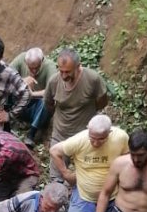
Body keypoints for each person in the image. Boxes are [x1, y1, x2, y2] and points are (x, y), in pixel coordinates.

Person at [42, 48, 108, 176]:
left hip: (85, 135)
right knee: (56, 176)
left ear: (78, 67)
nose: (64, 76)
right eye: (61, 71)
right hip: (61, 133)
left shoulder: (92, 79)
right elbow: (48, 104)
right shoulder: (54, 82)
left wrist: (90, 111)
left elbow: (102, 100)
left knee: (88, 174)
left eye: (68, 72)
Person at [9, 47, 56, 144]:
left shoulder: (50, 66)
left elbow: (52, 91)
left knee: (46, 101)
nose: (34, 71)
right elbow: (6, 76)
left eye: (37, 68)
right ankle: (9, 123)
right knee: (6, 91)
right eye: (31, 68)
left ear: (42, 61)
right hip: (21, 100)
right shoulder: (21, 58)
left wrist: (33, 94)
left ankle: (32, 134)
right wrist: (22, 81)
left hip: (37, 107)